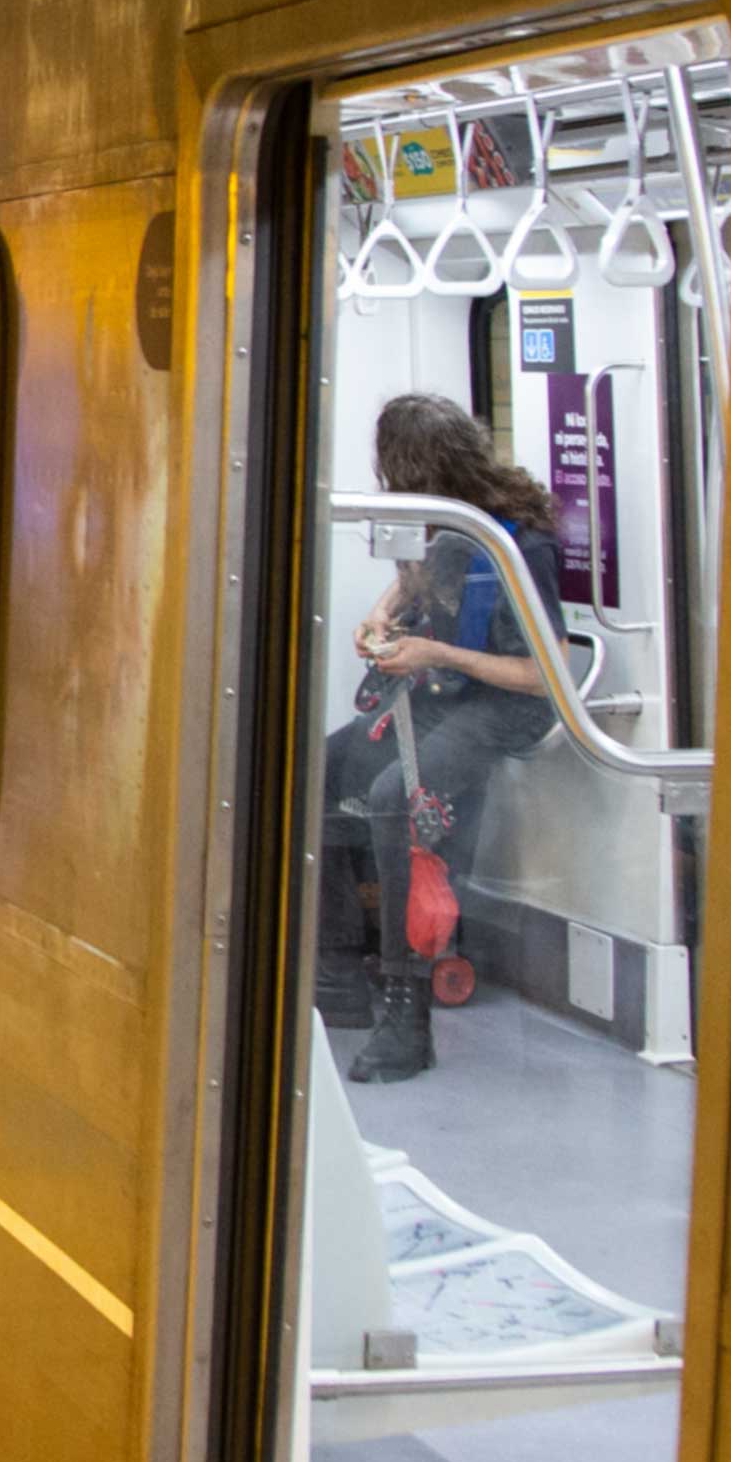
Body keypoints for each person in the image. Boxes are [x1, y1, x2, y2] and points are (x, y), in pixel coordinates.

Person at [311, 394, 567, 1083]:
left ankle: (407, 1014)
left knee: (397, 794)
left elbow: (544, 676)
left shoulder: (519, 542)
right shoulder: (438, 526)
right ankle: (335, 968)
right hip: (442, 691)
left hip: (501, 703)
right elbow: (413, 587)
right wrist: (379, 622)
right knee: (317, 771)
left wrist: (435, 656)